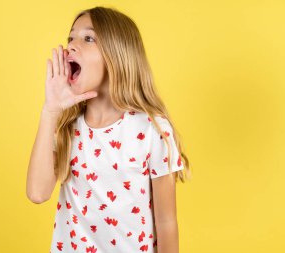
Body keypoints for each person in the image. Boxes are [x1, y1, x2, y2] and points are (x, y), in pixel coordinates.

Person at [26, 6, 191, 253]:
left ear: (117, 55)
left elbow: (166, 222)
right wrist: (50, 111)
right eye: (70, 38)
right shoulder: (69, 126)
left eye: (88, 38)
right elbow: (37, 193)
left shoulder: (151, 130)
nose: (71, 45)